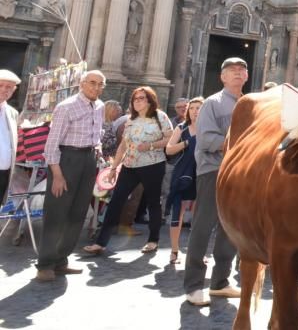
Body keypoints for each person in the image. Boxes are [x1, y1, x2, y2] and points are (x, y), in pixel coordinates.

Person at [184, 57, 247, 306]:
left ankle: (220, 282)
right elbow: (207, 139)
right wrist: (244, 146)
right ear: (222, 76)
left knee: (231, 229)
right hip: (214, 171)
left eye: (242, 70)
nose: (238, 74)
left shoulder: (248, 103)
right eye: (232, 70)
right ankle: (193, 285)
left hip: (239, 174)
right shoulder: (213, 103)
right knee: (202, 227)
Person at [83, 86, 173, 256]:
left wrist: (150, 145)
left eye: (141, 98)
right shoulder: (131, 119)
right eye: (135, 99)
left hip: (153, 165)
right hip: (129, 166)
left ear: (150, 100)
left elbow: (170, 138)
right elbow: (123, 145)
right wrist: (113, 168)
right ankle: (100, 243)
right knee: (116, 201)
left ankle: (153, 240)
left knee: (153, 202)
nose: (137, 101)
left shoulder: (160, 117)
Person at [35, 69, 106, 282]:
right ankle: (45, 264)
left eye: (100, 84)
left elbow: (97, 132)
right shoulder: (66, 107)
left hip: (88, 160)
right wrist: (57, 175)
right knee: (57, 212)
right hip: (66, 160)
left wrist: (98, 148)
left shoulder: (100, 106)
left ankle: (61, 260)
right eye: (92, 82)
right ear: (81, 83)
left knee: (78, 212)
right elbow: (51, 145)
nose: (96, 87)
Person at [164, 96, 202, 265]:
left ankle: (196, 252)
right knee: (177, 212)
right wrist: (187, 143)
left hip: (201, 173)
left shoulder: (208, 129)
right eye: (192, 108)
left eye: (199, 108)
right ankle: (174, 250)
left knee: (199, 215)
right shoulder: (181, 127)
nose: (195, 111)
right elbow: (169, 149)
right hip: (182, 173)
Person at [0, 69, 21, 209]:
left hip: (3, 173)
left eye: (9, 87)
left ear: (14, 90)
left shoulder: (12, 113)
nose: (4, 90)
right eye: (1, 85)